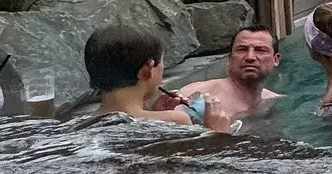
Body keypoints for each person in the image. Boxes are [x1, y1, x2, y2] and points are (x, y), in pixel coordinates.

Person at [85, 24, 234, 130]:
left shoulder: (81, 124)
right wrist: (216, 134)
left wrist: (152, 110)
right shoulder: (176, 120)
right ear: (148, 68)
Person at [175, 25, 283, 119]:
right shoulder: (194, 94)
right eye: (242, 49)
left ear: (276, 59)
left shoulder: (274, 101)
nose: (250, 57)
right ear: (230, 59)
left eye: (260, 50)